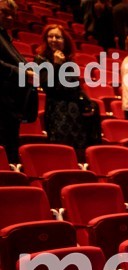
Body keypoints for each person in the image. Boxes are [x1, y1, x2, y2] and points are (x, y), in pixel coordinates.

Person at [34, 24, 101, 158]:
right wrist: (57, 64)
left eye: (58, 37)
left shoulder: (69, 60)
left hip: (75, 109)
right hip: (58, 109)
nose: (53, 40)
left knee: (80, 149)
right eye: (50, 36)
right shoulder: (41, 60)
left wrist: (87, 103)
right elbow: (47, 85)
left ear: (64, 40)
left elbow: (76, 86)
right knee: (62, 149)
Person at [0, 0, 38, 164]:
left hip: (10, 104)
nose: (9, 17)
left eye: (12, 15)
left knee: (10, 151)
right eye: (4, 12)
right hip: (2, 102)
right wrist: (23, 73)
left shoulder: (4, 36)